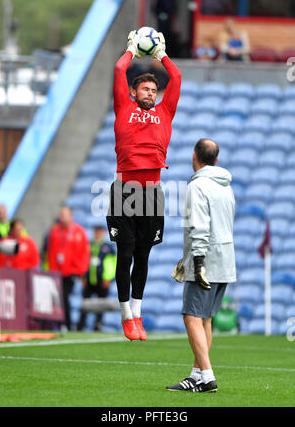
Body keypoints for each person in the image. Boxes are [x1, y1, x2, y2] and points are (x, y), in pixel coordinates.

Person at [106, 30, 181, 341]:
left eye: (153, 89)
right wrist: (132, 51)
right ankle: (125, 316)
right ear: (134, 93)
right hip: (124, 190)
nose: (151, 93)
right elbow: (118, 70)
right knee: (124, 253)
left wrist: (161, 54)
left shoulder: (165, 112)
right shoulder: (124, 108)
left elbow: (175, 77)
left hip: (153, 193)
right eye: (145, 89)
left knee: (143, 254)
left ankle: (137, 314)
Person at [166, 138, 236, 393]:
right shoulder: (226, 186)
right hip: (226, 259)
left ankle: (206, 376)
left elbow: (199, 226)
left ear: (194, 155)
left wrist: (197, 262)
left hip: (206, 260)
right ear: (216, 160)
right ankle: (197, 374)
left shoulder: (197, 187)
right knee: (204, 318)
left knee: (191, 317)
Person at [47, 206, 90, 331]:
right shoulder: (55, 231)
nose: (62, 217)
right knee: (59, 299)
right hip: (57, 272)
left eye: (65, 215)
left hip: (72, 272)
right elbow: (51, 252)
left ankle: (67, 324)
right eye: (61, 215)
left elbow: (84, 253)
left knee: (65, 297)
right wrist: (52, 270)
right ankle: (63, 323)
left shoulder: (79, 232)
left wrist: (80, 271)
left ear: (71, 216)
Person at [77, 225, 116, 331]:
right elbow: (82, 261)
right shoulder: (88, 245)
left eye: (100, 231)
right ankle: (80, 326)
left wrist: (108, 279)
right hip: (89, 280)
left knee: (101, 305)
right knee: (85, 303)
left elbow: (112, 264)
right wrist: (83, 276)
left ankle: (98, 325)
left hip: (102, 281)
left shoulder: (108, 247)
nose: (98, 233)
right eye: (96, 231)